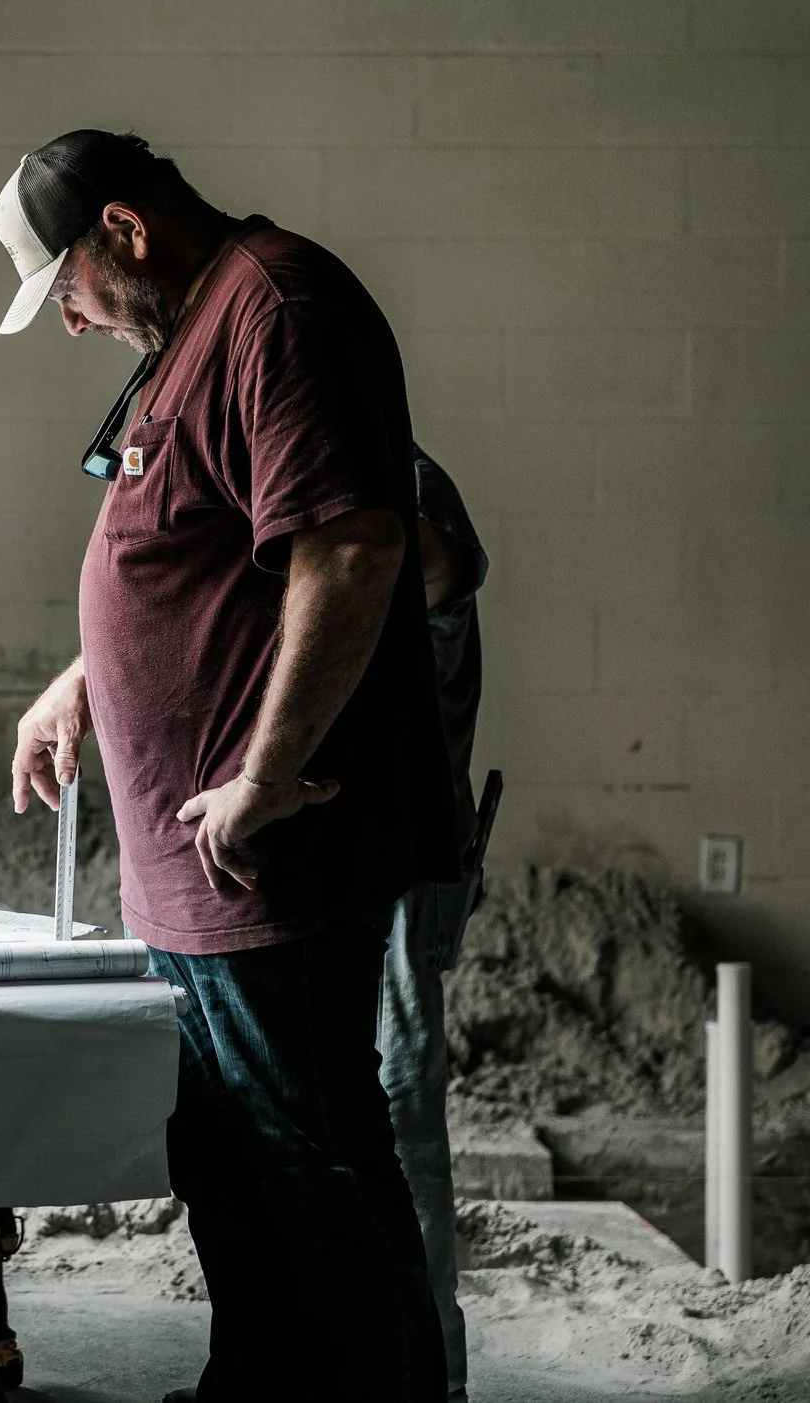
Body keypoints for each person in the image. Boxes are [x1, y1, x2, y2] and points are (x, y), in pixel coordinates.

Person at [0, 130, 455, 1403]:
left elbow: (354, 550)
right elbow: (191, 549)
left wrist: (266, 771)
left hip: (263, 847)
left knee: (314, 1161)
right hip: (193, 858)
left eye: (69, 289)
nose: (71, 323)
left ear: (125, 231)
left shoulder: (279, 307)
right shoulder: (189, 333)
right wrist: (82, 674)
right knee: (229, 1152)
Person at [379, 448, 492, 1403]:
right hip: (352, 864)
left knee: (398, 1104)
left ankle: (429, 1377)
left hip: (399, 865)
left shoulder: (405, 494)